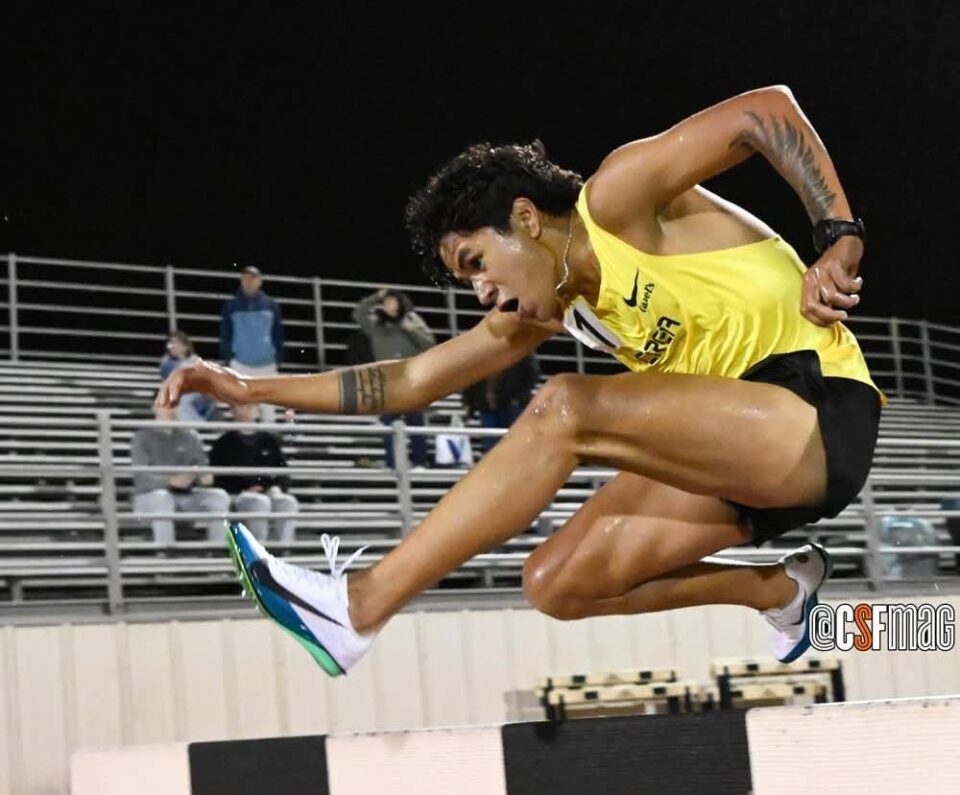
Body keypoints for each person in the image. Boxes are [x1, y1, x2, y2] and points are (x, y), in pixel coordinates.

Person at [158, 85, 882, 678]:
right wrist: (250, 389)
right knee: (556, 583)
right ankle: (780, 591)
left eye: (476, 262)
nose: (480, 291)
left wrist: (838, 235)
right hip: (733, 453)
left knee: (565, 406)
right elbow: (410, 380)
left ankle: (359, 606)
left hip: (816, 409)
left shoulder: (618, 201)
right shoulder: (553, 311)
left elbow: (766, 112)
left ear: (527, 219)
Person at [353, 288, 437, 468]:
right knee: (389, 423)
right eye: (386, 302)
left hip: (411, 380)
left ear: (400, 303)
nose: (389, 305)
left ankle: (419, 461)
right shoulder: (376, 323)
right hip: (387, 382)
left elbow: (430, 343)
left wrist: (412, 330)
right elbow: (358, 313)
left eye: (392, 301)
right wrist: (375, 296)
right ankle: (393, 463)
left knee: (415, 423)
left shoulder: (411, 319)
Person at [131, 406, 230, 544]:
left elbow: (202, 467)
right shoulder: (142, 437)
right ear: (155, 408)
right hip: (149, 497)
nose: (170, 410)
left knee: (219, 496)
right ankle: (165, 550)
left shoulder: (190, 436)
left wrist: (202, 477)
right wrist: (170, 482)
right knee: (162, 497)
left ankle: (218, 547)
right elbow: (141, 478)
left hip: (185, 495)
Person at [209, 402, 299, 543]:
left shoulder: (269, 441)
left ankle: (285, 546)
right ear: (232, 411)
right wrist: (244, 489)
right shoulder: (223, 443)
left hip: (268, 491)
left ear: (257, 410)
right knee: (260, 503)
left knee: (288, 502)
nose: (247, 411)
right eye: (241, 406)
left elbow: (283, 471)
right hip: (239, 494)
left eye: (251, 407)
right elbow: (218, 478)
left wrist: (276, 487)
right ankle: (258, 549)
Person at [219, 265, 285, 423]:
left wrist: (278, 358)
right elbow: (225, 333)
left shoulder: (271, 305)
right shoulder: (231, 305)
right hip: (240, 364)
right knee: (241, 408)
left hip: (267, 364)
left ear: (260, 281)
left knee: (268, 409)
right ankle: (244, 435)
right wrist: (229, 358)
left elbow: (278, 334)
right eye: (245, 278)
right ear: (241, 281)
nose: (249, 282)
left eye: (253, 278)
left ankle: (269, 436)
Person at [463, 353, 540, 453]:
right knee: (492, 444)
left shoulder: (519, 351)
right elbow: (469, 378)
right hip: (487, 405)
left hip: (510, 403)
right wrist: (470, 403)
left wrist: (518, 396)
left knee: (513, 442)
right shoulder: (478, 354)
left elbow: (531, 372)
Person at [159, 331, 217, 422]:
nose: (172, 346)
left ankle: (197, 424)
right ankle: (196, 425)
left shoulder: (195, 360)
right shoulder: (166, 363)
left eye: (175, 343)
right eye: (170, 344)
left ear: (185, 346)